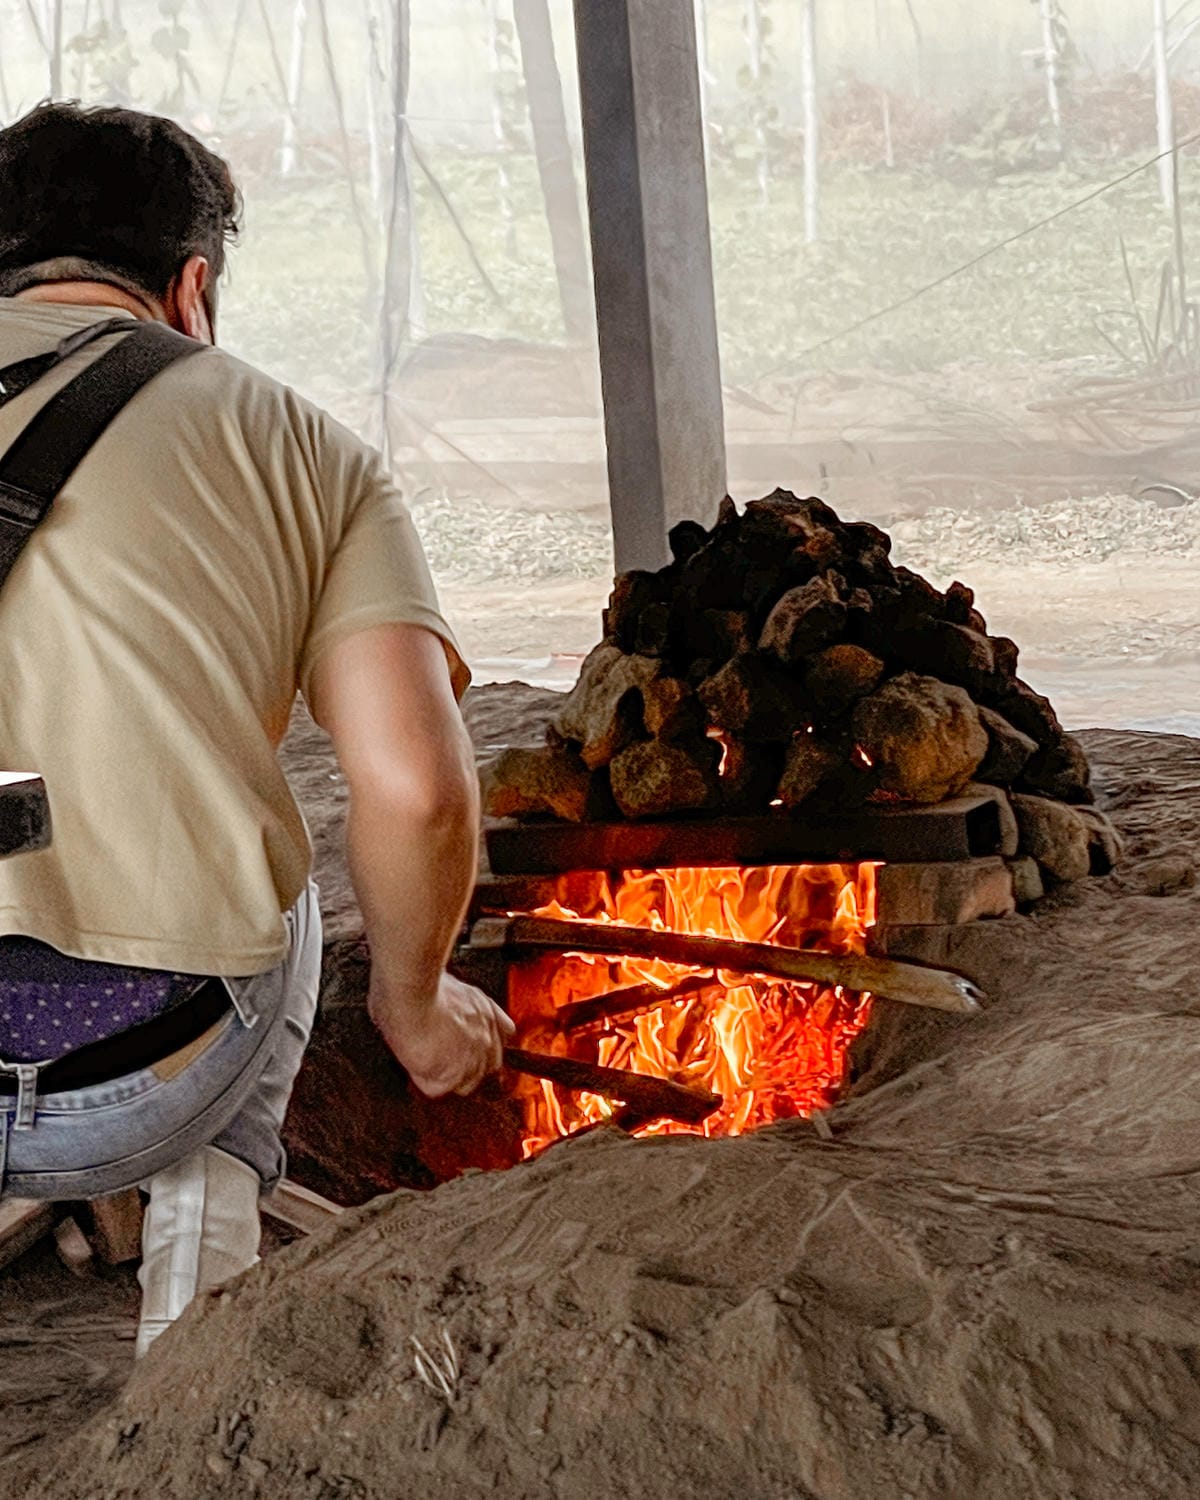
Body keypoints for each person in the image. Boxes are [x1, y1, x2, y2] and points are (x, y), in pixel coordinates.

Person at [0, 102, 513, 1354]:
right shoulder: (300, 445)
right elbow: (417, 792)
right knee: (270, 879)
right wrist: (416, 1003)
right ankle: (195, 1305)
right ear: (193, 288)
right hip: (138, 1079)